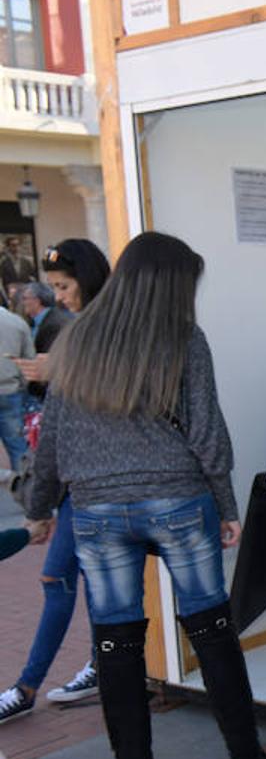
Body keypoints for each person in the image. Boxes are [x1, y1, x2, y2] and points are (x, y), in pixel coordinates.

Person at [23, 231, 266, 759]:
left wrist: (40, 507)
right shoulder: (183, 339)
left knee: (116, 644)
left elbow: (54, 439)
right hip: (177, 501)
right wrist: (225, 505)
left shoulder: (77, 339)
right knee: (212, 628)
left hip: (97, 510)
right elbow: (207, 434)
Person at [0, 240, 111, 725]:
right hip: (73, 483)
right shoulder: (87, 325)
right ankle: (33, 684)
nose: (59, 296)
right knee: (62, 579)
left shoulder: (103, 328)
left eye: (65, 286)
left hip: (92, 483)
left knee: (83, 582)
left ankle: (37, 684)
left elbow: (110, 401)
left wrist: (56, 374)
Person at [0, 304, 34, 473]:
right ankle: (23, 487)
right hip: (10, 389)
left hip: (11, 389)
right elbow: (29, 359)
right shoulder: (17, 323)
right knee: (17, 446)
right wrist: (22, 384)